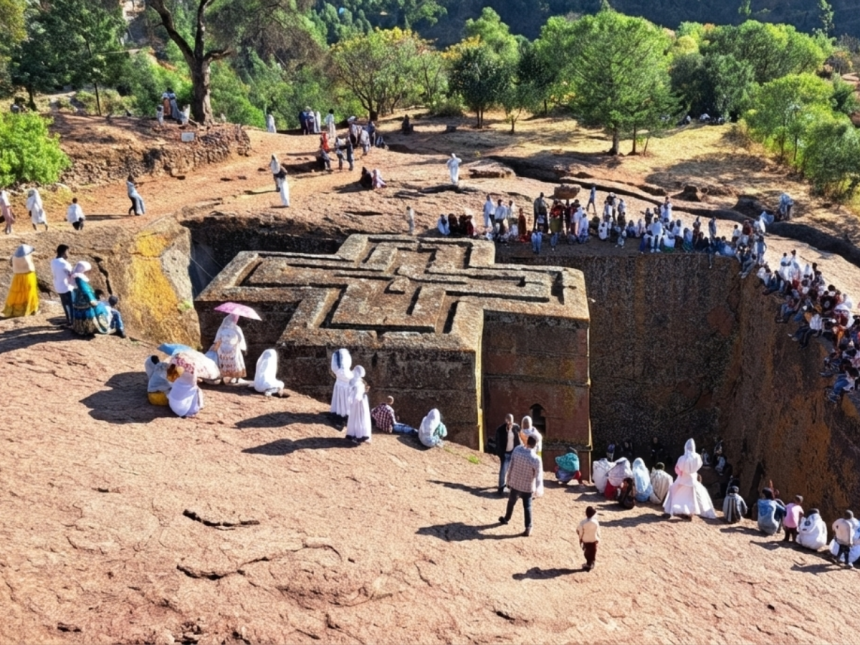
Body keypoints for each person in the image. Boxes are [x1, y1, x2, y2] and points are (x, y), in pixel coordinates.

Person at [498, 435, 541, 537]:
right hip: (528, 486)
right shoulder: (535, 459)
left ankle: (506, 518)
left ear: (527, 441)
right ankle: (528, 527)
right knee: (527, 507)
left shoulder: (517, 450)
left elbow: (511, 466)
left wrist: (508, 481)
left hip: (515, 484)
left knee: (511, 502)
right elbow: (537, 474)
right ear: (535, 444)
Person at [663, 439, 717, 519]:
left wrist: (683, 471)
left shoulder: (682, 458)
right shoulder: (697, 457)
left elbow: (678, 467)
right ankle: (690, 512)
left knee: (673, 490)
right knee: (691, 497)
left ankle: (671, 510)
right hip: (692, 478)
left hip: (682, 478)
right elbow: (699, 465)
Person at [69, 262, 110, 335]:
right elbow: (85, 290)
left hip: (78, 300)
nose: (88, 272)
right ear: (83, 270)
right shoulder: (80, 279)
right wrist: (91, 299)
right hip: (84, 301)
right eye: (87, 270)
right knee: (97, 311)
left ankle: (81, 330)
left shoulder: (76, 276)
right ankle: (87, 330)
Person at [3, 244, 39, 318]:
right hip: (28, 276)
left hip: (17, 277)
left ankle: (14, 311)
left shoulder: (14, 257)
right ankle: (31, 310)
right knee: (29, 293)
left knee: (18, 294)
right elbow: (31, 267)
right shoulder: (27, 257)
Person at [212, 314, 247, 383]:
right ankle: (236, 378)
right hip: (233, 349)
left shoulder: (222, 328)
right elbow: (241, 339)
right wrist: (243, 347)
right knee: (236, 362)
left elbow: (217, 339)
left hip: (222, 350)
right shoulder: (237, 328)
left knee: (222, 363)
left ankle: (222, 379)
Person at [495, 414, 522, 495]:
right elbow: (497, 441)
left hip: (514, 452)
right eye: (509, 421)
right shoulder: (500, 430)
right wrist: (500, 452)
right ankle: (501, 487)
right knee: (503, 470)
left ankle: (511, 486)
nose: (510, 423)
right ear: (506, 420)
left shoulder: (516, 427)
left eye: (512, 421)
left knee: (513, 470)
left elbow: (519, 439)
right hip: (505, 453)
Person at [50, 244, 74, 326]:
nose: (68, 254)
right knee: (69, 304)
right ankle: (71, 321)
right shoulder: (64, 263)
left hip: (58, 285)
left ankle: (69, 320)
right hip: (66, 286)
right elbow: (71, 274)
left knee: (64, 304)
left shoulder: (53, 261)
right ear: (64, 252)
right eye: (68, 252)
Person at [519, 416, 544, 497]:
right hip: (535, 457)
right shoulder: (536, 434)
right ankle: (534, 490)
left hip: (523, 457)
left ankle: (524, 490)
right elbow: (539, 445)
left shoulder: (520, 434)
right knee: (534, 475)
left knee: (524, 474)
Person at [346, 366, 372, 443]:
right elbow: (359, 396)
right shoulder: (360, 383)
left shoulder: (352, 381)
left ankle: (352, 433)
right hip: (360, 403)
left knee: (354, 418)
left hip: (354, 402)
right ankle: (359, 435)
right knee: (360, 418)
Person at [330, 348, 353, 428]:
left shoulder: (337, 368)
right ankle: (344, 415)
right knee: (344, 402)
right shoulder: (346, 373)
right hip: (344, 386)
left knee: (340, 401)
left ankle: (340, 413)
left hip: (340, 383)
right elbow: (345, 374)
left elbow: (334, 369)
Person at [577, 506, 600, 570]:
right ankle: (591, 563)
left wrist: (580, 539)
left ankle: (589, 564)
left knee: (587, 553)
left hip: (586, 540)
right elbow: (598, 531)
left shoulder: (583, 522)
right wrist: (598, 538)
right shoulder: (596, 522)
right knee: (593, 552)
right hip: (594, 540)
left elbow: (579, 531)